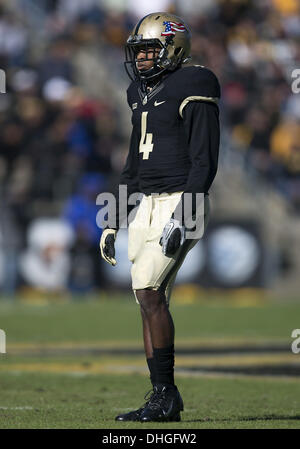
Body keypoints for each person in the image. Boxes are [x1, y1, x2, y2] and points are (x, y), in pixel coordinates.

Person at [100, 12, 220, 422]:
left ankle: (166, 395)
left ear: (175, 47)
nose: (144, 58)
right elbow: (133, 164)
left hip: (182, 198)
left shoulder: (196, 81)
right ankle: (161, 396)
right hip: (148, 202)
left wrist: (184, 213)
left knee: (150, 291)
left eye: (151, 49)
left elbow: (205, 159)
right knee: (146, 298)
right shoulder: (139, 91)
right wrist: (114, 216)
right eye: (139, 51)